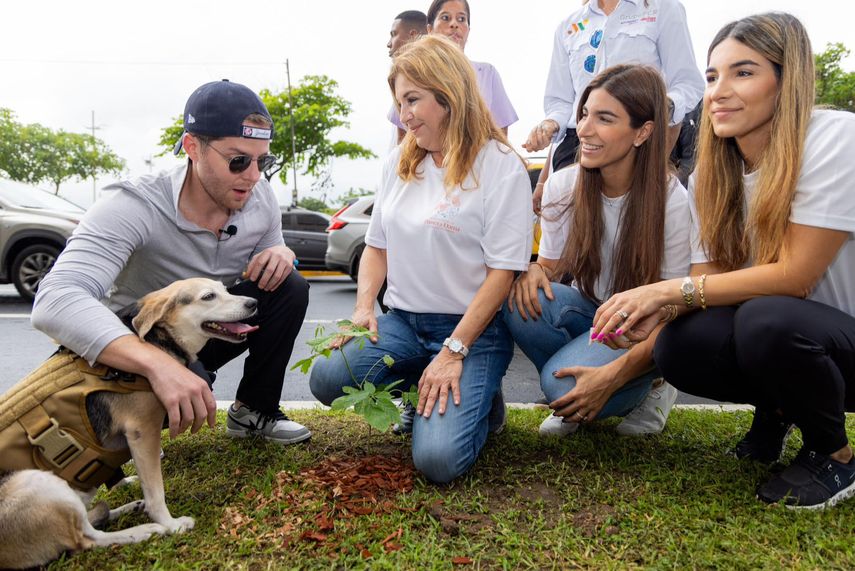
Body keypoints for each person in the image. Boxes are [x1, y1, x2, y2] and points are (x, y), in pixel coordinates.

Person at [591, 13, 855, 510]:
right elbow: (706, 282)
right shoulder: (712, 173)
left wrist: (664, 291)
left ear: (788, 78)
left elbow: (796, 277)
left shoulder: (834, 137)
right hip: (796, 338)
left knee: (767, 318)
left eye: (744, 72)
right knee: (683, 344)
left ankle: (833, 455)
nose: (719, 91)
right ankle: (777, 409)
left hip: (836, 342)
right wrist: (659, 314)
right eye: (712, 76)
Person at [31, 79, 312, 445]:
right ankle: (135, 411)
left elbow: (274, 248)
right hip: (141, 339)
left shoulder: (259, 195)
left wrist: (282, 252)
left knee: (289, 285)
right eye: (238, 160)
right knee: (193, 390)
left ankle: (254, 410)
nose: (254, 175)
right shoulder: (134, 205)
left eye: (264, 160)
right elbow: (55, 299)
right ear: (193, 147)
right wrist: (157, 364)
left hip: (206, 326)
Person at [310, 35, 532, 484]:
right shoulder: (398, 162)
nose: (403, 113)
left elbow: (504, 272)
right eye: (399, 102)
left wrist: (454, 349)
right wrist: (362, 309)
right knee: (328, 377)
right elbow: (377, 246)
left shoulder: (500, 165)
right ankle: (425, 385)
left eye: (413, 99)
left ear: (448, 94)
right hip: (404, 323)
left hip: (473, 331)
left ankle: (482, 401)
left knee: (437, 462)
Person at [504, 64, 689, 437]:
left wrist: (613, 372)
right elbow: (551, 268)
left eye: (604, 118)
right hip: (594, 314)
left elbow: (676, 308)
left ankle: (652, 386)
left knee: (560, 388)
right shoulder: (563, 186)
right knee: (521, 299)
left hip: (643, 327)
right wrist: (536, 270)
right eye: (584, 114)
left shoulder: (672, 200)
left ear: (643, 132)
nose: (584, 130)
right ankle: (576, 387)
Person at [524, 0, 704, 215]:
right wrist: (550, 124)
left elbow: (688, 83)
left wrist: (662, 107)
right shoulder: (570, 26)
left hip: (636, 141)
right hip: (577, 144)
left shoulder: (662, 8)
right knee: (575, 237)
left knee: (638, 230)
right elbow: (561, 102)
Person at [388, 0, 518, 143]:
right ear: (429, 29)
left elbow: (501, 139)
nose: (454, 24)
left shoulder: (487, 74)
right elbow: (403, 143)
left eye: (462, 19)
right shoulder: (411, 75)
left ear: (468, 29)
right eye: (445, 18)